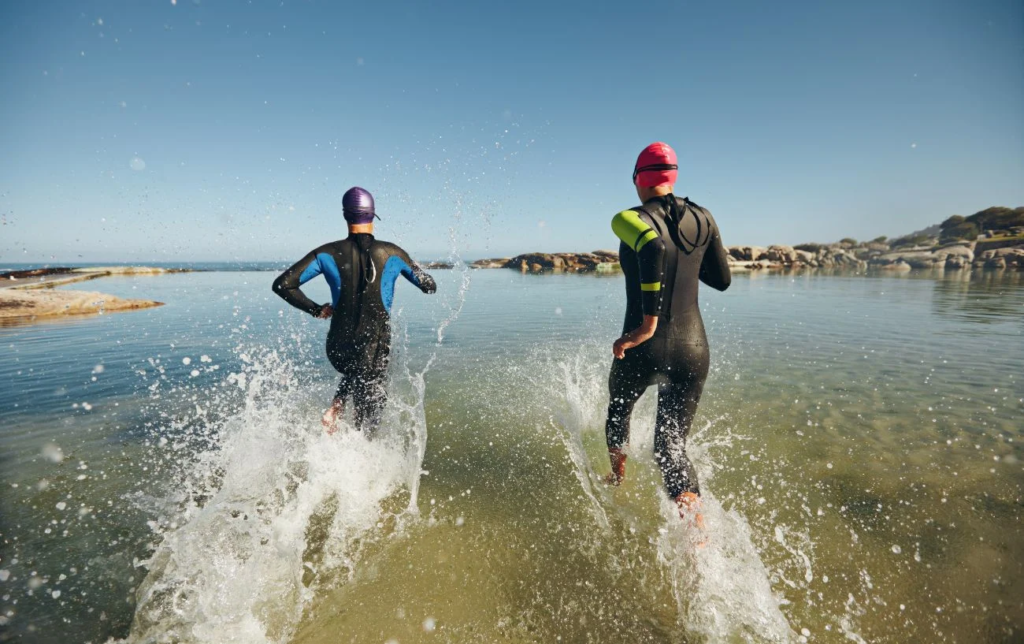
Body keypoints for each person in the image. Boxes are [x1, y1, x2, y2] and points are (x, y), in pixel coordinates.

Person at [604, 142, 731, 524]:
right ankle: (696, 529)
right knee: (671, 447)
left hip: (642, 346)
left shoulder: (628, 218)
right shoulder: (704, 218)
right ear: (672, 177)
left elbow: (653, 247)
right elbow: (722, 279)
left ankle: (616, 477)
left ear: (638, 179)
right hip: (693, 348)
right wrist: (688, 260)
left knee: (619, 410)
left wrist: (648, 325)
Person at [272, 186, 437, 433]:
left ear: (345, 216)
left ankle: (337, 406)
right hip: (374, 348)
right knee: (369, 423)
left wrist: (316, 309)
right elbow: (429, 286)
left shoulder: (326, 252)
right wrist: (410, 264)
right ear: (373, 215)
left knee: (356, 369)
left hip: (337, 348)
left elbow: (282, 285)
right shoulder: (392, 253)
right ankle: (345, 420)